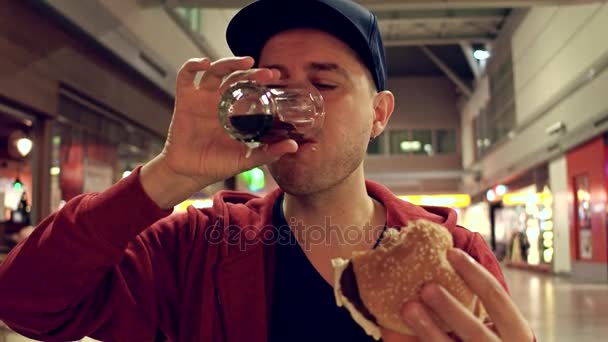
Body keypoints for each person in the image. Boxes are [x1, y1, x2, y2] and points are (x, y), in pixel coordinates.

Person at [0, 1, 533, 341]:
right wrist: (169, 173)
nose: (293, 106)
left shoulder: (453, 254)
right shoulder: (194, 248)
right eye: (274, 88)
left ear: (379, 113)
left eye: (324, 85)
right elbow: (25, 302)